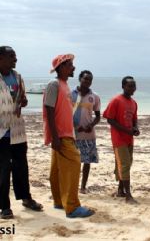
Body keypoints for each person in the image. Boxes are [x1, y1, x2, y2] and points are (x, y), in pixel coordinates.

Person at [43, 54, 94, 218]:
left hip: (66, 134)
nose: (73, 68)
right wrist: (55, 137)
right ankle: (71, 207)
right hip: (61, 136)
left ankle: (59, 201)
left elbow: (63, 112)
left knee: (57, 170)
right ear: (62, 67)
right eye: (71, 65)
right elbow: (49, 110)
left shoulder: (64, 85)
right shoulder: (54, 84)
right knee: (73, 165)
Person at [0, 46, 43, 219]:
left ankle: (26, 198)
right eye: (11, 57)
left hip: (17, 129)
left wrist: (23, 101)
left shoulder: (17, 77)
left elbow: (21, 97)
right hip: (1, 131)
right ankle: (4, 207)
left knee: (21, 167)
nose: (15, 60)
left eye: (15, 57)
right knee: (3, 169)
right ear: (1, 58)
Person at [103, 76, 140, 204]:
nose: (132, 88)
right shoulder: (116, 100)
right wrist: (126, 130)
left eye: (134, 86)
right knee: (124, 164)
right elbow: (109, 119)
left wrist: (135, 129)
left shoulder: (133, 103)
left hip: (129, 139)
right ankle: (128, 196)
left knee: (127, 163)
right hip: (119, 139)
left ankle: (120, 190)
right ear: (123, 86)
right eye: (130, 85)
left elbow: (134, 119)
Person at [72, 70, 101, 194]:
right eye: (85, 79)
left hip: (89, 134)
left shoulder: (94, 96)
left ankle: (83, 187)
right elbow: (65, 114)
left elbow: (98, 116)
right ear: (80, 79)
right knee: (73, 162)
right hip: (73, 134)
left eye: (90, 79)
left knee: (87, 161)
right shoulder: (70, 94)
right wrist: (74, 126)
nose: (87, 81)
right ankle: (72, 185)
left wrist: (92, 125)